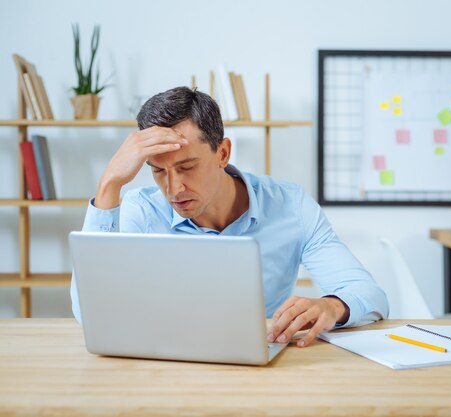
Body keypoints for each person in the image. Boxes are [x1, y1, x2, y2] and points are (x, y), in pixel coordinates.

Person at [70, 86, 388, 347]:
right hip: (168, 362)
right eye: (158, 172)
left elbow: (370, 296)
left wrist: (331, 306)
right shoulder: (140, 210)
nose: (173, 188)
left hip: (263, 365)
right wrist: (109, 184)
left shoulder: (290, 206)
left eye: (186, 167)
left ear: (222, 153)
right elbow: (90, 313)